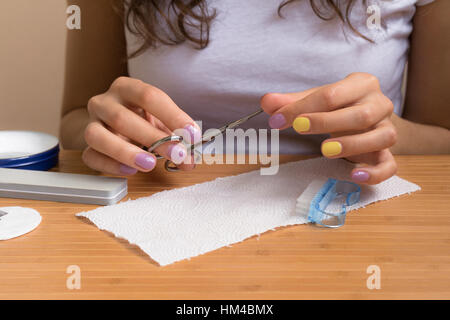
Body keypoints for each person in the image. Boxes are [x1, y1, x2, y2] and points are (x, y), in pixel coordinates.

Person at [61, 0, 450, 185]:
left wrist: (384, 135)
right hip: (155, 201)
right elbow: (75, 121)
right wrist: (112, 132)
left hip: (356, 215)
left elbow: (442, 138)